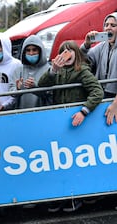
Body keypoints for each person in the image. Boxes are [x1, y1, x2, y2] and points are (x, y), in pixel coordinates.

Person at [39, 40, 104, 212]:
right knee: (61, 163)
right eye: (63, 51)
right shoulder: (57, 72)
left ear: (76, 53)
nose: (66, 54)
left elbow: (97, 91)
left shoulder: (81, 70)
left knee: (80, 162)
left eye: (69, 51)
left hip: (79, 123)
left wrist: (84, 111)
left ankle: (80, 197)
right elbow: (40, 86)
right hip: (61, 125)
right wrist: (52, 71)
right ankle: (63, 196)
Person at [80, 12, 117, 99]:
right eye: (106, 25)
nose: (108, 28)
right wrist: (86, 45)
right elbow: (83, 59)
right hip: (101, 91)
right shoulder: (102, 46)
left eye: (113, 25)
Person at [9, 35, 52, 109]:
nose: (31, 53)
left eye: (34, 50)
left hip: (42, 113)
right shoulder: (18, 70)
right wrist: (18, 89)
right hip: (22, 113)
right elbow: (11, 91)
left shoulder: (49, 70)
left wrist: (35, 88)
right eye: (28, 50)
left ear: (40, 50)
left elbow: (50, 93)